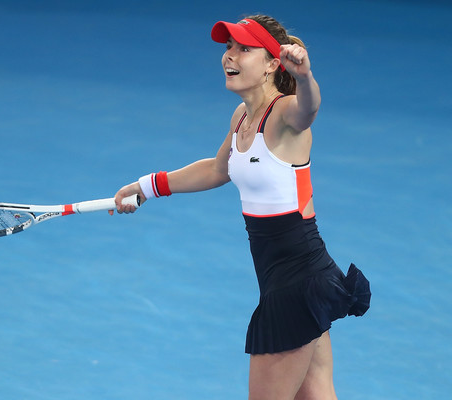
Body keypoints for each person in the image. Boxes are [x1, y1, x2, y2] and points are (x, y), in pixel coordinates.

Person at [112, 14, 370, 400]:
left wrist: (304, 77)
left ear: (271, 64)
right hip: (295, 276)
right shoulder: (242, 117)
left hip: (295, 284)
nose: (229, 56)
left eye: (243, 49)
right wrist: (148, 186)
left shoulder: (284, 113)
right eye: (229, 47)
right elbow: (218, 169)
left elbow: (309, 110)